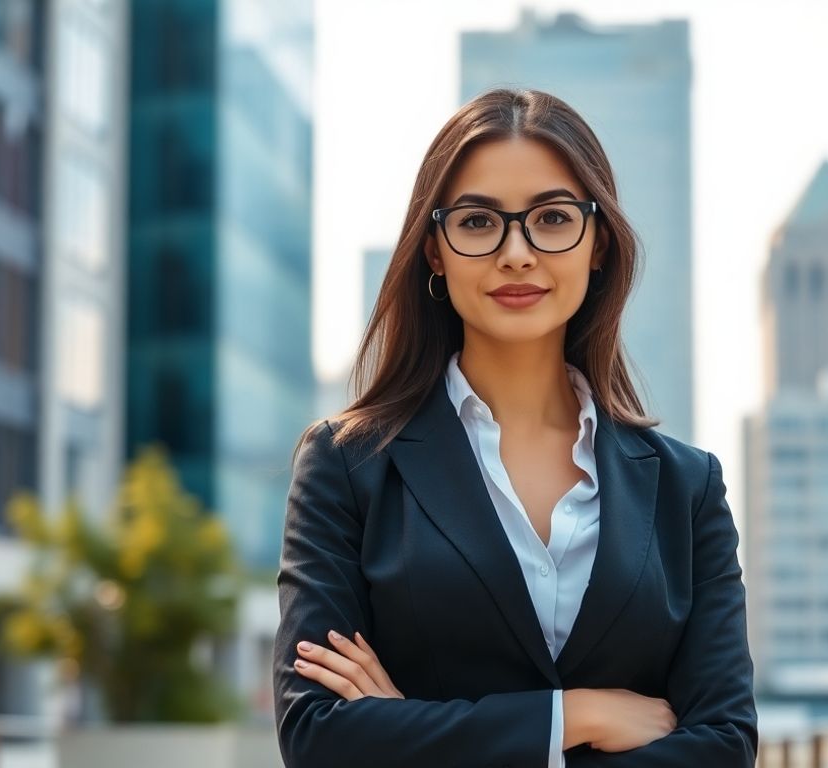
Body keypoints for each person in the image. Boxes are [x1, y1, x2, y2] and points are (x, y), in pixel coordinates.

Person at [272, 87, 757, 767]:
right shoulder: (347, 466)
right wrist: (573, 717)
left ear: (598, 244)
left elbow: (726, 746)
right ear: (434, 250)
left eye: (553, 218)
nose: (517, 253)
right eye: (477, 222)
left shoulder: (687, 487)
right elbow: (318, 736)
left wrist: (408, 731)